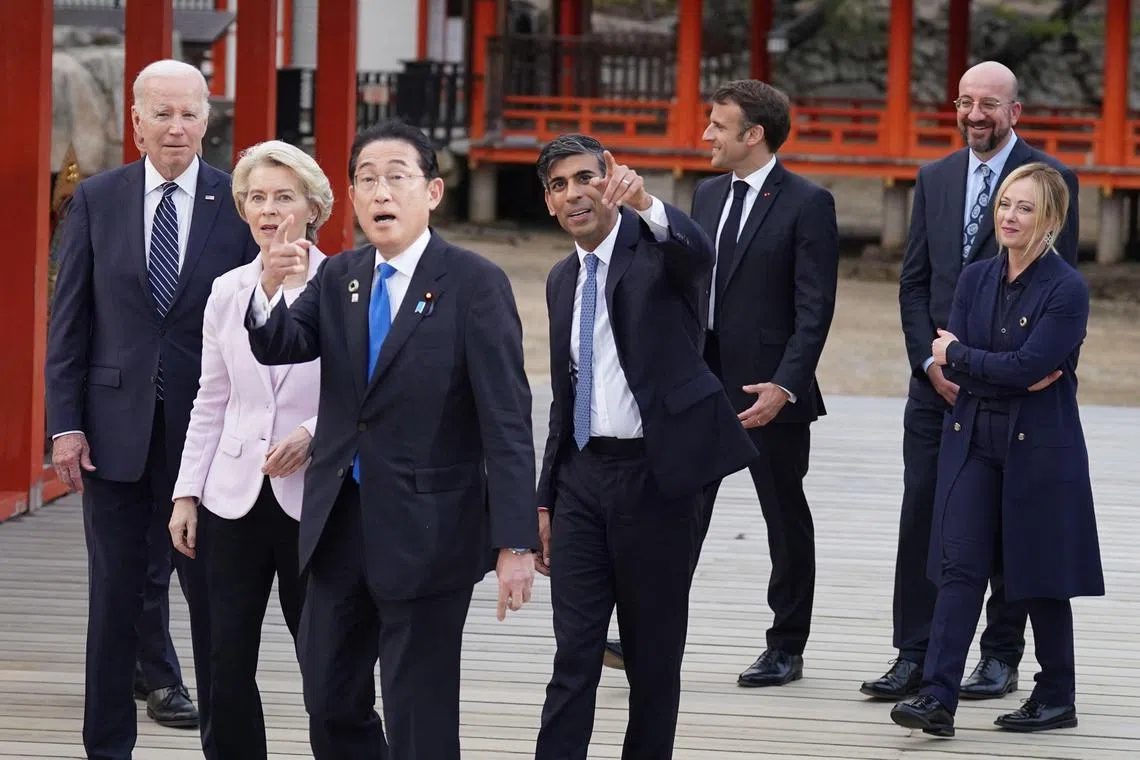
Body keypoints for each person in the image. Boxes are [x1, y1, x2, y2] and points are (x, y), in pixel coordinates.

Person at [244, 119, 538, 760]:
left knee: (418, 709)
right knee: (327, 695)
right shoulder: (341, 276)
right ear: (351, 195)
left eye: (396, 178)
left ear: (431, 192)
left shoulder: (473, 283)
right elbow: (281, 343)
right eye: (367, 180)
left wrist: (515, 538)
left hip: (430, 527)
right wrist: (268, 286)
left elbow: (508, 420)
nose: (381, 193)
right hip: (339, 523)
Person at [45, 59, 258, 760]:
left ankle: (223, 742)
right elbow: (70, 320)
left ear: (207, 119)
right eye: (160, 113)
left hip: (208, 434)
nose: (176, 126)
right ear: (135, 120)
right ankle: (107, 745)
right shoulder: (98, 200)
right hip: (111, 431)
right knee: (112, 596)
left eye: (189, 113)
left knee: (212, 598)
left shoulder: (237, 203)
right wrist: (65, 424)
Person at [862, 60, 1080, 701]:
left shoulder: (1048, 179)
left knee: (1010, 522)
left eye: (989, 103)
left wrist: (992, 373)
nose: (975, 114)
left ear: (1016, 111)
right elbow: (914, 286)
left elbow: (1053, 302)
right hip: (935, 388)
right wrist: (929, 364)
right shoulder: (934, 178)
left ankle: (1001, 655)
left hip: (1010, 394)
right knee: (924, 512)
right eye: (964, 102)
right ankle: (915, 652)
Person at [533, 134, 757, 759]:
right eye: (559, 185)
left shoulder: (658, 253)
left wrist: (648, 206)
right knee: (574, 650)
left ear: (610, 178)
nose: (574, 193)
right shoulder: (559, 280)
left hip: (655, 478)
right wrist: (544, 497)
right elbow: (562, 395)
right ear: (548, 203)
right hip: (580, 477)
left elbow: (700, 253)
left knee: (652, 658)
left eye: (585, 178)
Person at [611, 79, 837, 688]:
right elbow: (685, 276)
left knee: (783, 516)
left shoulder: (808, 202)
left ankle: (787, 644)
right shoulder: (706, 194)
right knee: (678, 509)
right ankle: (648, 634)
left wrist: (785, 386)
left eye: (717, 124)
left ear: (753, 134)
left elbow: (814, 310)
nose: (705, 134)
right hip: (700, 384)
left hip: (769, 389)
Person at [889, 162, 1103, 737]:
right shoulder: (975, 278)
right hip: (973, 439)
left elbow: (1028, 365)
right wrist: (988, 367)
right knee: (959, 567)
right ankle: (937, 697)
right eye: (1005, 203)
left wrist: (965, 356)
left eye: (1025, 208)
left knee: (1039, 574)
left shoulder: (1067, 289)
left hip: (1038, 447)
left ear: (1052, 219)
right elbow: (986, 369)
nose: (1008, 215)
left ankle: (1057, 694)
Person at [167, 140, 332, 759]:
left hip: (311, 499)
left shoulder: (344, 284)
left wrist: (314, 433)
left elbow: (363, 390)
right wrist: (186, 492)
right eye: (256, 198)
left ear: (312, 207)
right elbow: (210, 397)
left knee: (324, 657)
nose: (269, 210)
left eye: (283, 197)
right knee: (224, 658)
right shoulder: (227, 290)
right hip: (229, 495)